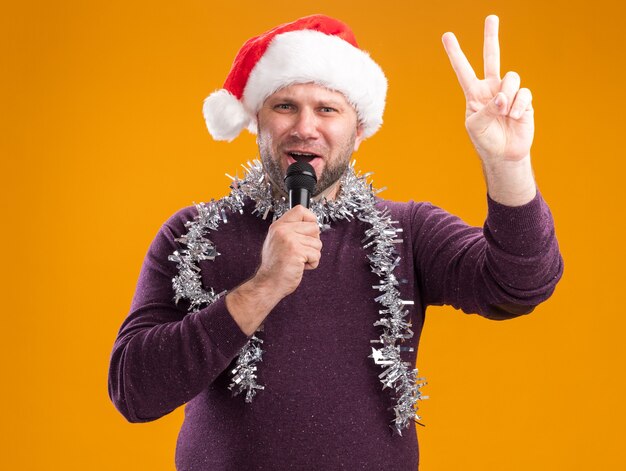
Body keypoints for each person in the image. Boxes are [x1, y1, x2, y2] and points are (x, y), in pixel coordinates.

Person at [108, 14, 563, 470]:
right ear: (256, 120)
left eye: (327, 108)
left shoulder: (406, 230)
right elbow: (133, 391)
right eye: (285, 105)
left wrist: (507, 164)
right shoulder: (193, 233)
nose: (305, 127)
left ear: (358, 129)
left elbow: (521, 283)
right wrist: (263, 286)